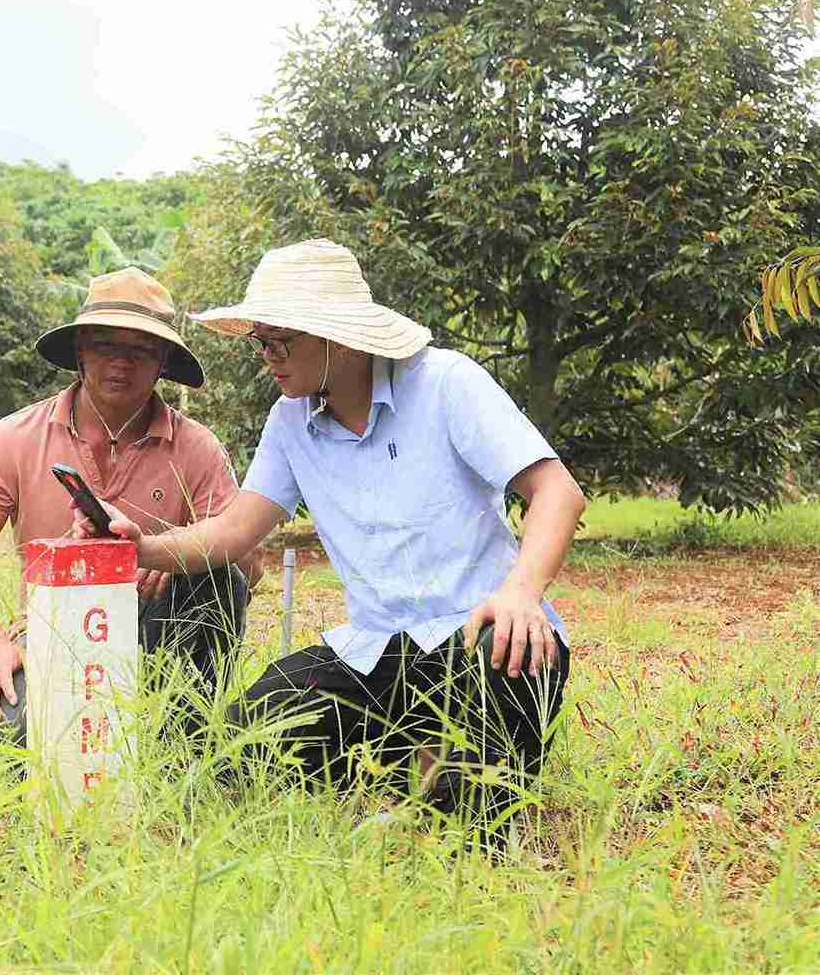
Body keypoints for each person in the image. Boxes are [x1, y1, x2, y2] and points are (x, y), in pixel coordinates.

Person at [72, 240, 586, 845]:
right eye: (260, 342)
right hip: (374, 654)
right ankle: (414, 768)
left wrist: (521, 593)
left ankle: (447, 795)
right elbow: (234, 530)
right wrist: (140, 547)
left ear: (336, 339)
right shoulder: (291, 421)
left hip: (482, 634)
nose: (267, 359)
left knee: (503, 682)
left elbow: (557, 491)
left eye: (280, 343)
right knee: (243, 751)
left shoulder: (446, 384)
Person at [0, 267, 262, 744]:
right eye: (105, 345)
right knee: (21, 740)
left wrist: (176, 555)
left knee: (218, 574)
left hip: (158, 637)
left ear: (163, 362)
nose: (122, 363)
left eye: (141, 350)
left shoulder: (197, 448)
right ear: (80, 353)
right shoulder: (17, 437)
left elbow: (249, 564)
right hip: (53, 631)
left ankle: (184, 740)